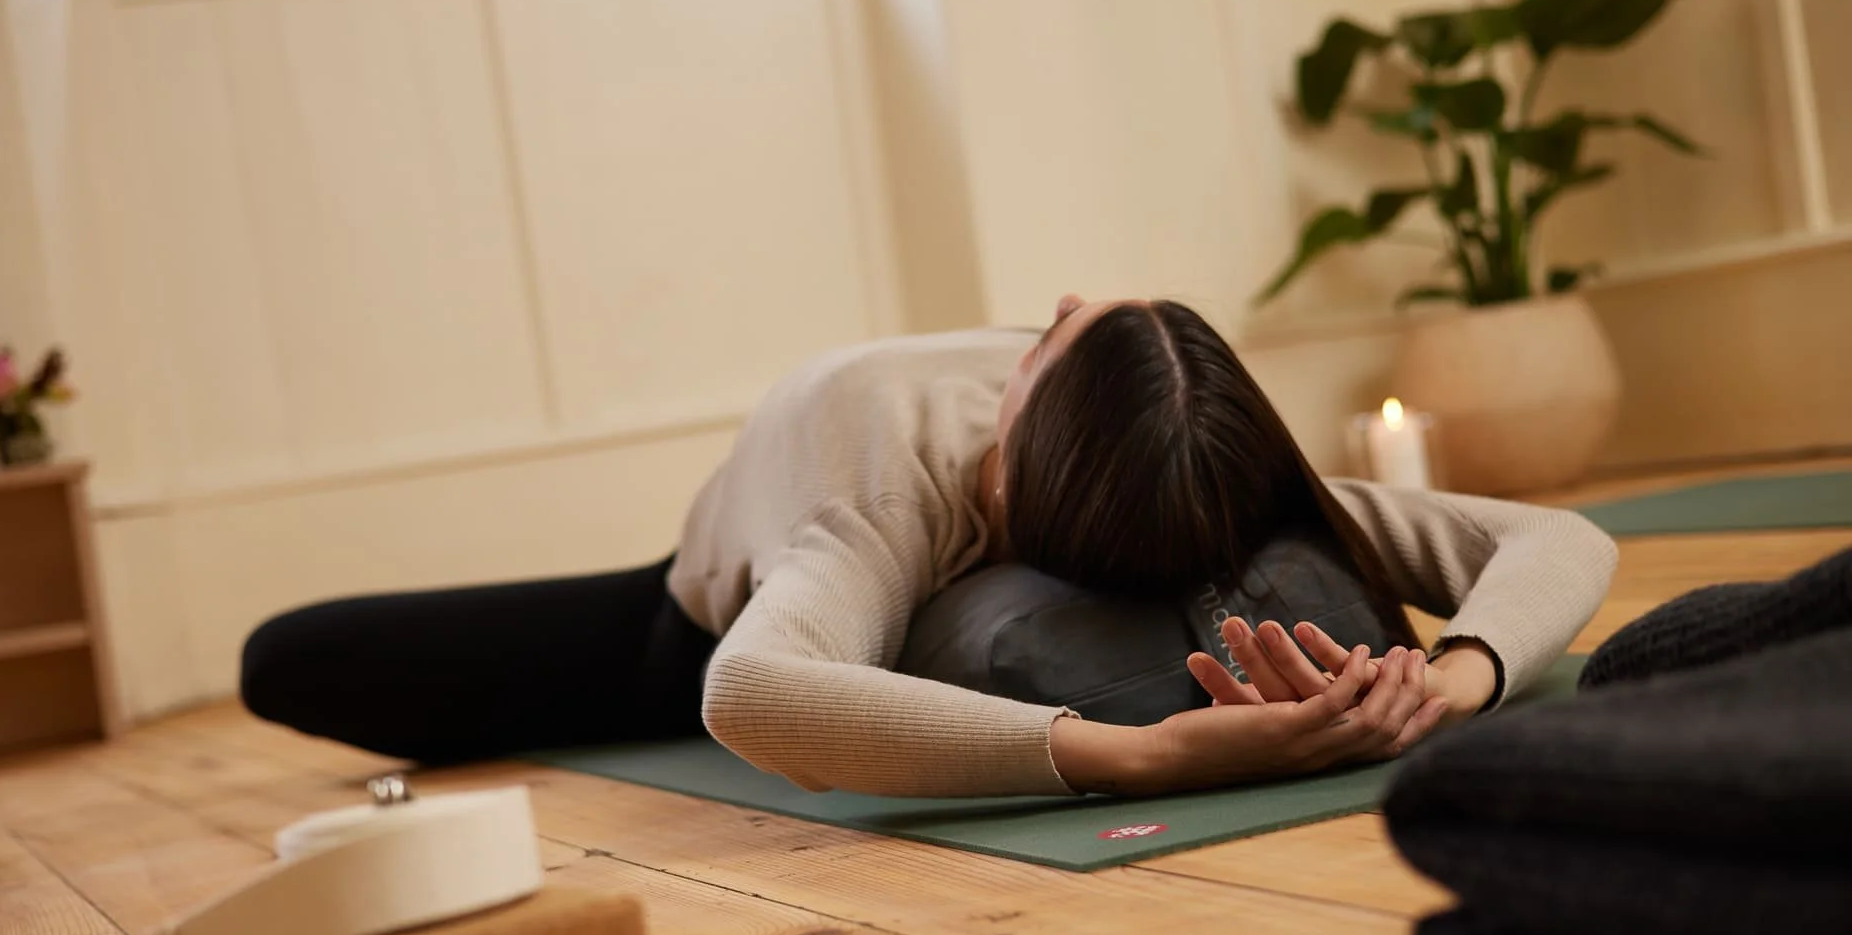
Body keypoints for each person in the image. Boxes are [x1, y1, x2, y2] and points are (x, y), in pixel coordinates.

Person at [240, 296, 1617, 798]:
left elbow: (1550, 535)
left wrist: (1458, 680)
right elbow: (749, 690)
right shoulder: (882, 505)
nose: (1059, 305)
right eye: (1061, 329)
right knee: (292, 661)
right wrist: (1147, 752)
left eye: (1055, 338)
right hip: (690, 617)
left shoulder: (1194, 461)